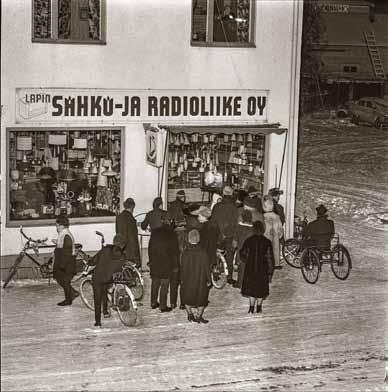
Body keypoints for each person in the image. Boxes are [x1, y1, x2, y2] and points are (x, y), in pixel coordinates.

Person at [88, 234, 127, 327]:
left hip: (97, 277)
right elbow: (119, 269)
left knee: (97, 299)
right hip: (109, 278)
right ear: (123, 245)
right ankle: (105, 311)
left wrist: (90, 262)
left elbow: (93, 261)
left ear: (114, 242)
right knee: (104, 291)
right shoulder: (123, 256)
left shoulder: (105, 250)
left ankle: (98, 322)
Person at [240, 221, 274, 314]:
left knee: (251, 289)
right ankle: (259, 308)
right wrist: (270, 272)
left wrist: (247, 260)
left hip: (250, 269)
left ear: (253, 229)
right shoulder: (267, 242)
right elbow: (270, 258)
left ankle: (251, 308)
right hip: (262, 270)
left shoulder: (249, 240)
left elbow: (243, 254)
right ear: (263, 230)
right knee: (261, 289)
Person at [181, 229, 212, 323]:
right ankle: (199, 316)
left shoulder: (185, 253)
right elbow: (207, 268)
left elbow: (182, 267)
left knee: (187, 297)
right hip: (200, 279)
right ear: (198, 239)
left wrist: (181, 279)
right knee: (202, 299)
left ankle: (190, 315)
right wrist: (209, 280)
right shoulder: (203, 253)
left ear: (189, 239)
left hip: (188, 279)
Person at [148, 220, 179, 312]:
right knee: (164, 285)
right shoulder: (172, 234)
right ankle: (163, 305)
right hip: (167, 263)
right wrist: (175, 265)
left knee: (155, 282)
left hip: (155, 262)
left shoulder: (155, 232)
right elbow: (175, 252)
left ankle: (153, 302)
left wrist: (151, 261)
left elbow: (150, 248)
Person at [211, 185, 238, 284]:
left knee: (216, 254)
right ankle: (229, 277)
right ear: (231, 194)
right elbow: (235, 223)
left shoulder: (217, 206)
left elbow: (212, 221)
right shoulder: (234, 207)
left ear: (223, 193)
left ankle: (215, 274)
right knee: (229, 256)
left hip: (218, 235)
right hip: (229, 235)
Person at [53, 215, 78, 306]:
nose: (56, 227)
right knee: (62, 279)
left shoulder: (65, 235)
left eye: (57, 225)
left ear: (62, 226)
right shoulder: (64, 234)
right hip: (65, 261)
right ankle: (73, 293)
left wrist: (62, 265)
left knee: (64, 280)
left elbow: (67, 251)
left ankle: (68, 300)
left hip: (66, 262)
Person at [115, 197, 141, 268]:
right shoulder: (131, 219)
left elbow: (117, 232)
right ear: (132, 207)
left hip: (120, 247)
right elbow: (133, 238)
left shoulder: (119, 217)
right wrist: (137, 258)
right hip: (130, 250)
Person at [232, 209, 254, 289]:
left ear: (243, 218)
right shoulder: (253, 229)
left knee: (241, 269)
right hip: (251, 252)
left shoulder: (239, 228)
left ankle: (240, 284)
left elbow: (234, 243)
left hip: (241, 252)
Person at [262, 195, 284, 270]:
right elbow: (280, 229)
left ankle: (265, 263)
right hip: (275, 236)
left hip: (265, 235)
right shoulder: (277, 217)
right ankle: (276, 264)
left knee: (265, 250)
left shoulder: (263, 217)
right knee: (275, 248)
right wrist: (280, 235)